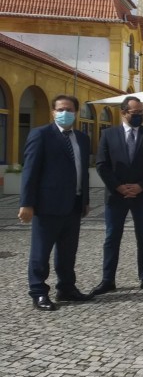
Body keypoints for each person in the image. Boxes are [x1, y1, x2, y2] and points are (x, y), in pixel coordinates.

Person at [19, 95, 93, 311]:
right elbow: (30, 171)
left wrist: (85, 200)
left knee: (68, 252)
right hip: (47, 205)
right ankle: (39, 292)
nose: (64, 113)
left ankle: (66, 288)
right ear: (53, 112)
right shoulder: (40, 135)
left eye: (69, 109)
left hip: (74, 204)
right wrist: (27, 203)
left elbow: (83, 172)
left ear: (76, 112)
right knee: (41, 253)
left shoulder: (82, 138)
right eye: (60, 109)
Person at [92, 96, 143, 295]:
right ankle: (108, 280)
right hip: (116, 196)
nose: (139, 115)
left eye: (141, 112)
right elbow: (102, 165)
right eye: (135, 113)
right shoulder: (108, 134)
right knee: (112, 237)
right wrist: (118, 187)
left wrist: (141, 186)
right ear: (123, 113)